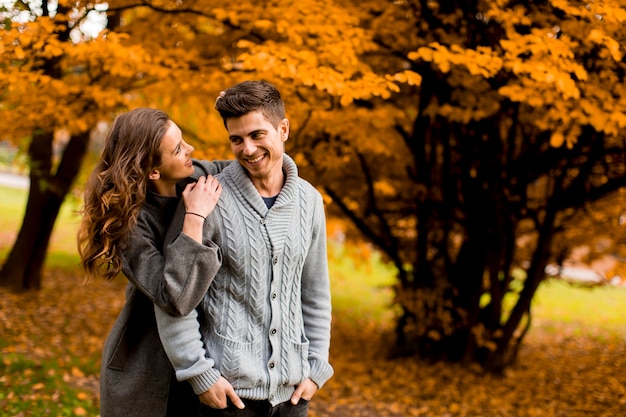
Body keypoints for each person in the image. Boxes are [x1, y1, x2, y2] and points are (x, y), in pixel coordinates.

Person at [154, 80, 334, 416]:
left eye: (256, 135)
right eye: (236, 139)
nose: (247, 149)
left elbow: (315, 292)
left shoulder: (309, 201)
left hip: (293, 396)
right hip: (226, 399)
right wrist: (200, 374)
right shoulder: (207, 198)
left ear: (283, 129)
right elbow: (175, 299)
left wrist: (317, 366)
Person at [77, 107, 230, 417]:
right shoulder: (128, 226)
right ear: (153, 171)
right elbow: (175, 296)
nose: (190, 150)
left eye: (183, 140)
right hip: (143, 367)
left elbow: (255, 168)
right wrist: (194, 218)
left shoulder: (201, 175)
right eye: (177, 149)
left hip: (213, 354)